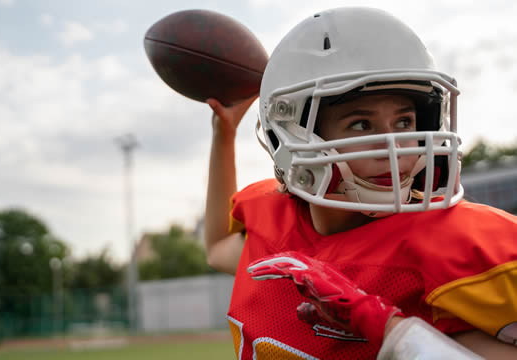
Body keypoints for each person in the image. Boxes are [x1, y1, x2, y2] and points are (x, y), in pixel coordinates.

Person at [204, 7, 517, 360]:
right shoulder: (270, 221)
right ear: (294, 135)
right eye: (361, 125)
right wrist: (224, 135)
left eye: (404, 122)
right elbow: (217, 247)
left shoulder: (454, 245)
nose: (394, 148)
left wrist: (393, 331)